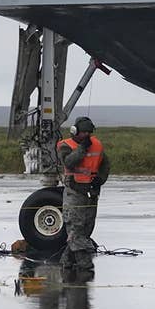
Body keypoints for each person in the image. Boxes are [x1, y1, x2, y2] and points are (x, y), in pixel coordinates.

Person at [56, 116, 110, 279]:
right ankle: (85, 264)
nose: (86, 136)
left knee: (86, 228)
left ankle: (66, 262)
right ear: (75, 131)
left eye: (89, 133)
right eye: (83, 132)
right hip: (74, 191)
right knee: (75, 228)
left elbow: (105, 164)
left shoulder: (97, 145)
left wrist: (99, 180)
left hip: (91, 192)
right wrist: (82, 149)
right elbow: (69, 163)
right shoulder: (65, 145)